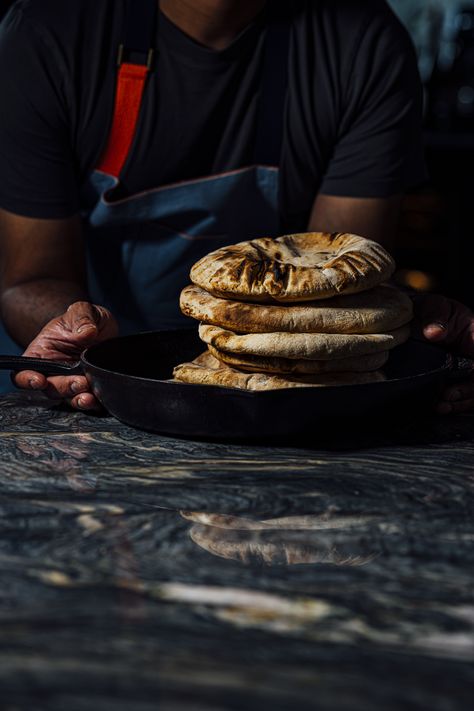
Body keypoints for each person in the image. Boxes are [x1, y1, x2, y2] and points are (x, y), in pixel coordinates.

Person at [0, 0, 473, 414]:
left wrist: (417, 338)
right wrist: (75, 334)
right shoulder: (50, 32)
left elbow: (339, 291)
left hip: (282, 400)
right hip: (108, 388)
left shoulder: (362, 44)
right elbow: (28, 279)